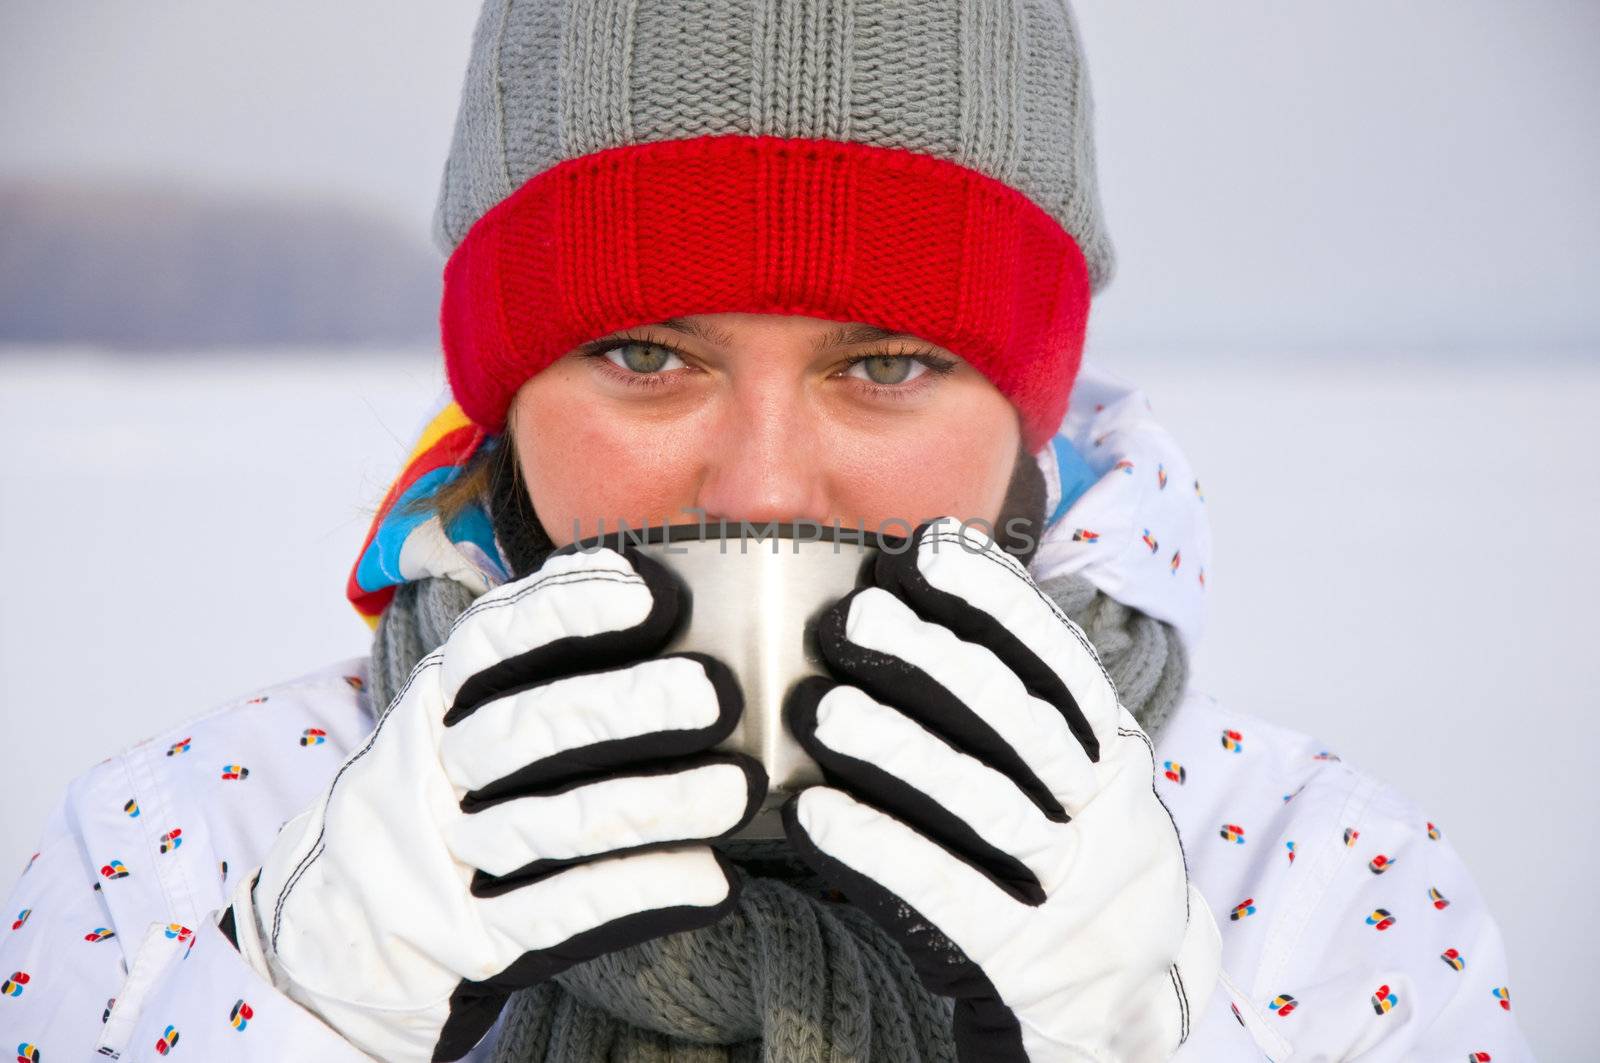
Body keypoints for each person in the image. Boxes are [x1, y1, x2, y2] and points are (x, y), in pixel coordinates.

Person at [0, 1, 1531, 1060]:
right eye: (648, 357)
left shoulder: (1315, 876)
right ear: (504, 397)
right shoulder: (188, 850)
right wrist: (305, 1019)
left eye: (887, 365)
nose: (762, 489)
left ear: (1029, 418)